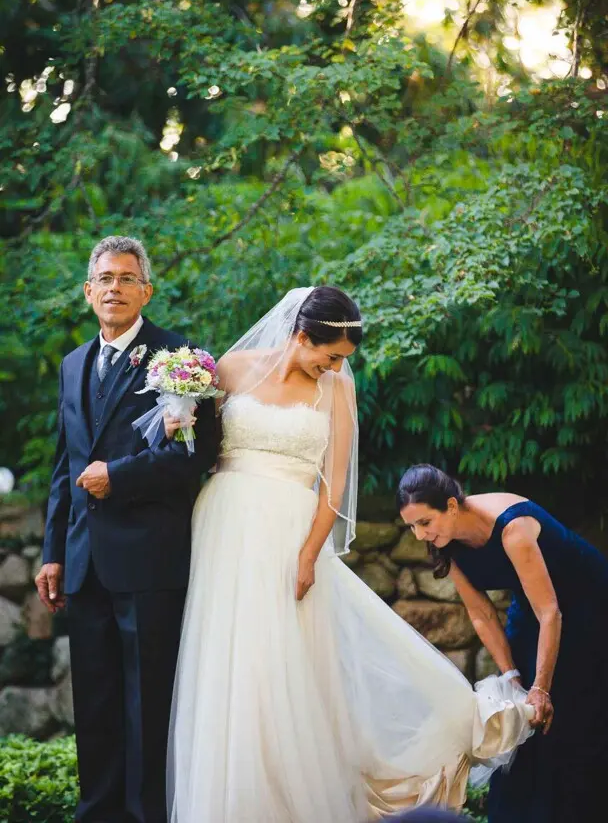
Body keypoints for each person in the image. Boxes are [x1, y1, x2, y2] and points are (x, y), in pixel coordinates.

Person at [164, 287, 532, 823]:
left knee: (282, 665)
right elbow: (197, 447)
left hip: (288, 533)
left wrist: (309, 555)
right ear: (300, 335)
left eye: (342, 360)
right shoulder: (231, 368)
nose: (336, 366)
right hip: (223, 523)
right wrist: (176, 418)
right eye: (330, 355)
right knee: (226, 661)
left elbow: (333, 486)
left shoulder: (335, 389)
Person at [36, 236, 218, 823]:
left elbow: (196, 454)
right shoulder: (71, 365)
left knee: (146, 707)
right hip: (85, 564)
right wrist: (53, 554)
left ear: (146, 289)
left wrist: (119, 475)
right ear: (88, 292)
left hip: (148, 563)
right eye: (104, 279)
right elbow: (64, 470)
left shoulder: (181, 358)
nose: (114, 288)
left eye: (125, 278)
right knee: (95, 705)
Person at [397, 464, 608, 823]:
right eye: (412, 527)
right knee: (520, 716)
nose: (419, 536)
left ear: (450, 506)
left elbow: (551, 613)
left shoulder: (513, 528)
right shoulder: (447, 542)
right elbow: (480, 613)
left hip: (588, 606)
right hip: (534, 607)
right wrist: (511, 674)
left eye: (425, 523)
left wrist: (541, 686)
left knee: (571, 713)